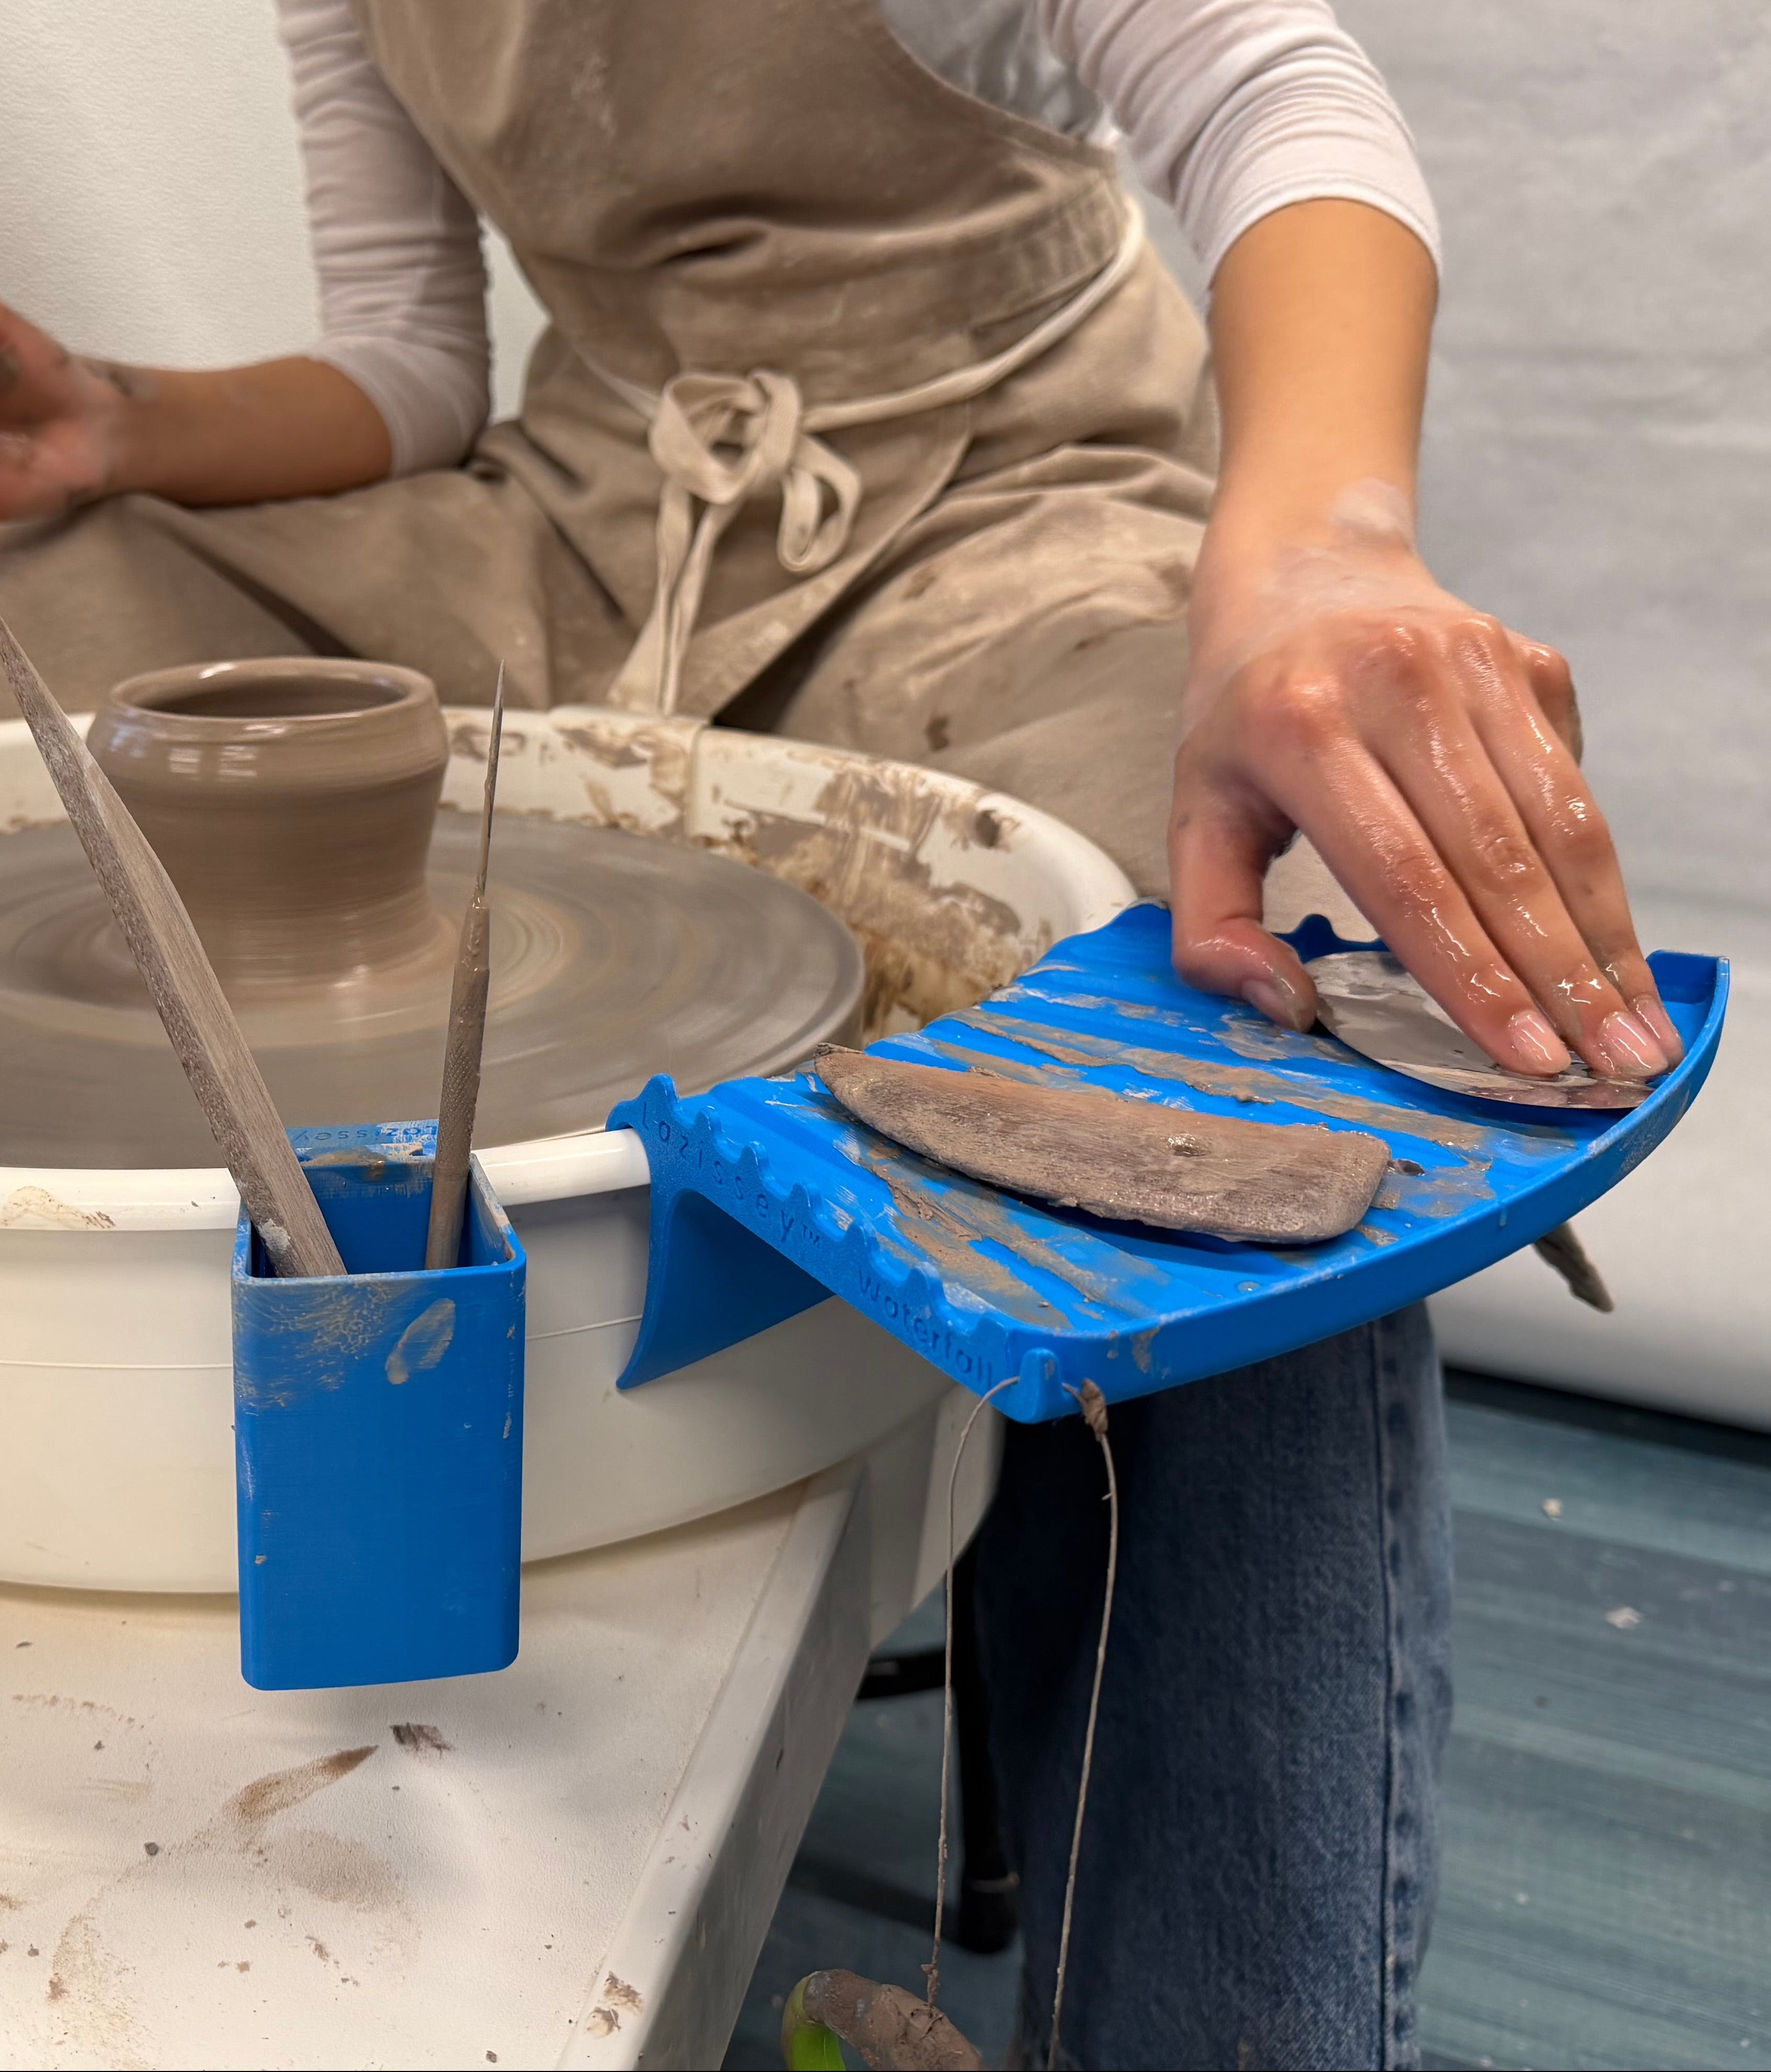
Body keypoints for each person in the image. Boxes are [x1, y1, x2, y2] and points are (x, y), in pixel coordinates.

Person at [0, 4, 1678, 2064]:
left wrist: (1314, 550)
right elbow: (415, 366)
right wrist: (112, 421)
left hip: (998, 497)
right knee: (59, 592)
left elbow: (1278, 92)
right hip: (594, 522)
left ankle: (1206, 2011)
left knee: (1228, 1013)